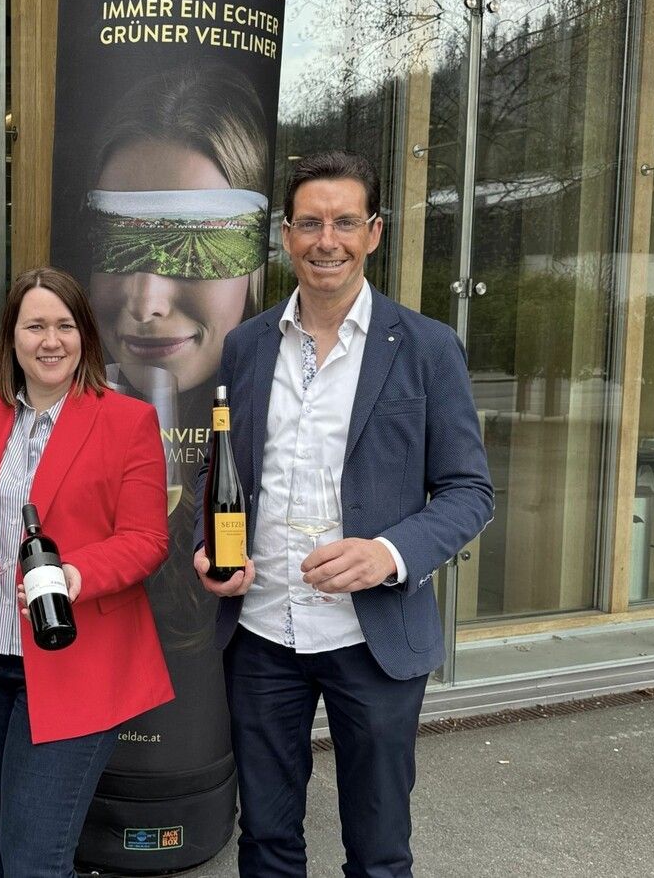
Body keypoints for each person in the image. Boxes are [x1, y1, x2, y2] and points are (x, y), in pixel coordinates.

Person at [194, 150, 494, 877]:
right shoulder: (246, 346)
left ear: (374, 232)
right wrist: (210, 550)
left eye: (345, 222)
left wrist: (387, 553)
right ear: (286, 235)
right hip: (263, 631)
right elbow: (222, 472)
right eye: (309, 223)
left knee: (379, 849)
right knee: (266, 841)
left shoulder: (426, 347)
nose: (326, 240)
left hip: (373, 636)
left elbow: (469, 491)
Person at [0, 266, 174, 877]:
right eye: (34, 326)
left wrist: (76, 574)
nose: (50, 341)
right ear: (11, 337)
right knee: (6, 846)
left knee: (35, 861)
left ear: (85, 335)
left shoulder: (128, 420)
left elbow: (147, 540)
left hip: (76, 661)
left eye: (64, 326)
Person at [86, 61, 270, 653]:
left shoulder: (282, 415)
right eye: (117, 245)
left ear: (255, 262)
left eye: (199, 245)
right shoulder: (63, 417)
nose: (147, 302)